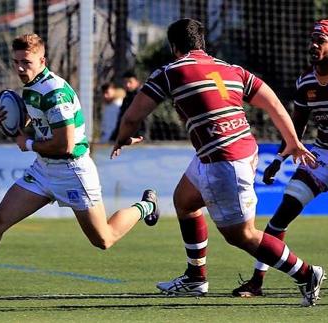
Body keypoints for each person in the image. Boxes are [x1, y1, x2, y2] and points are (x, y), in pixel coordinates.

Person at [0, 33, 160, 298]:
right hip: (44, 169)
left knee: (104, 239)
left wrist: (28, 144)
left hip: (73, 171)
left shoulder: (54, 93)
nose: (20, 68)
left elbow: (65, 145)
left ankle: (146, 205)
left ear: (42, 60)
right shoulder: (31, 89)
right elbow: (26, 131)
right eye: (16, 62)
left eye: (26, 61)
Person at [111, 18, 325, 306]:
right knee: (185, 201)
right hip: (232, 152)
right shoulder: (230, 69)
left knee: (243, 236)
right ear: (202, 43)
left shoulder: (171, 71)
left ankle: (306, 274)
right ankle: (196, 277)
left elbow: (132, 117)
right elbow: (272, 101)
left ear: (173, 47)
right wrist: (292, 141)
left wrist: (123, 138)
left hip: (224, 161)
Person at [232, 19, 328, 298]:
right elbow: (296, 128)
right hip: (319, 157)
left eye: (320, 40)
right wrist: (278, 160)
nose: (313, 44)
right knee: (280, 216)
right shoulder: (306, 81)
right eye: (312, 39)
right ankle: (257, 281)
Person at [109, 71, 142, 141]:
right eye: (125, 82)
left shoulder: (141, 98)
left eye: (130, 82)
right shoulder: (126, 99)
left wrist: (141, 139)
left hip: (137, 140)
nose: (127, 85)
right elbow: (121, 120)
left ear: (137, 82)